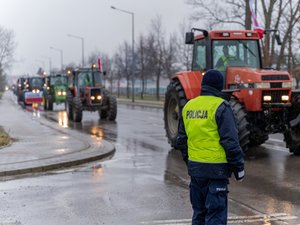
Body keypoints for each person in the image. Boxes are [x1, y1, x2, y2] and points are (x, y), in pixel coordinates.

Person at [176, 69, 245, 225]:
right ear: (219, 87)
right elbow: (230, 142)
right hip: (216, 172)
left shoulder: (188, 107)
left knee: (199, 214)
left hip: (196, 172)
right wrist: (238, 168)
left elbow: (181, 141)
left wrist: (190, 162)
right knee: (215, 216)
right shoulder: (222, 107)